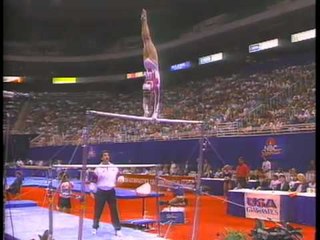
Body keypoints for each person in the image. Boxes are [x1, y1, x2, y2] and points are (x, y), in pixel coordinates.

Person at [90, 150, 123, 237]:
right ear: (101, 158)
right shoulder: (98, 168)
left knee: (114, 211)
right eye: (105, 155)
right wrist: (92, 191)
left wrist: (121, 177)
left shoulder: (114, 167)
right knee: (98, 211)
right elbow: (93, 181)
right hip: (100, 191)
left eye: (108, 155)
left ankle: (117, 229)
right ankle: (95, 227)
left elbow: (119, 174)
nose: (107, 157)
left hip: (111, 191)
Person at [141, 8, 161, 119]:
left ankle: (143, 21)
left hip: (146, 64)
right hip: (153, 64)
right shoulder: (156, 85)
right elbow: (158, 98)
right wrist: (155, 113)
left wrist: (145, 112)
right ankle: (144, 20)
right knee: (147, 39)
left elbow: (144, 99)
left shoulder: (146, 87)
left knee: (144, 40)